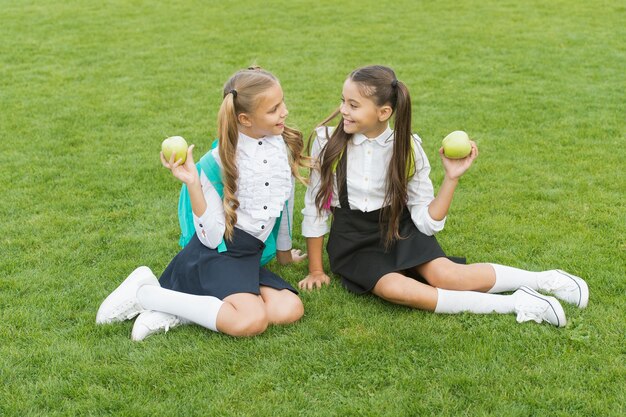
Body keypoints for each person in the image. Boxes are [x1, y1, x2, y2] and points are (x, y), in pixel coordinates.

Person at [298, 65, 588, 327]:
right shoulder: (327, 142)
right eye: (343, 101)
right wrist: (315, 270)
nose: (343, 110)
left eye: (353, 105)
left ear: (383, 113)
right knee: (395, 290)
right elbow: (316, 208)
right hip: (353, 241)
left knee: (448, 276)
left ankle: (544, 280)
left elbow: (425, 221)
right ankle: (515, 304)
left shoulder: (407, 148)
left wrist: (451, 178)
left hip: (398, 228)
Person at [97, 67, 308, 340]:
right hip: (216, 254)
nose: (285, 112)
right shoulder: (216, 162)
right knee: (251, 320)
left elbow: (283, 206)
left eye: (282, 103)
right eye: (274, 109)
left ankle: (182, 310)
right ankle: (146, 294)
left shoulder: (279, 146)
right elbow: (210, 238)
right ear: (245, 118)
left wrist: (284, 254)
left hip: (247, 255)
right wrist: (193, 184)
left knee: (289, 309)